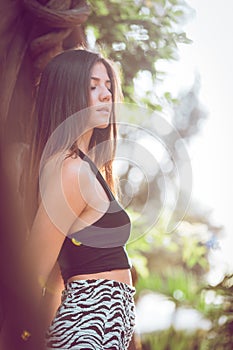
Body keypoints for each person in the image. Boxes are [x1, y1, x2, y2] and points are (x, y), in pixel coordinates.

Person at [21, 49, 136, 350]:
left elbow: (57, 279)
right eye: (93, 86)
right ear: (68, 93)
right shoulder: (70, 170)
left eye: (108, 86)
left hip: (99, 328)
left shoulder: (85, 167)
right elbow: (34, 273)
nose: (106, 95)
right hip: (86, 326)